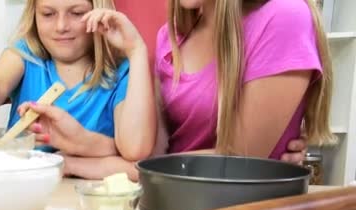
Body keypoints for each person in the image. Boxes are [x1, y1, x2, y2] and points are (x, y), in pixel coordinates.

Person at [55, 0, 327, 180]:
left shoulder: (284, 16)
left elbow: (238, 161)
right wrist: (80, 150)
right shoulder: (171, 36)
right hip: (171, 201)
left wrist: (81, 165)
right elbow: (154, 154)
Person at [0, 0, 156, 168]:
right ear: (33, 15)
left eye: (76, 13)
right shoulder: (26, 55)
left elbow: (136, 148)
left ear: (99, 12)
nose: (61, 26)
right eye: (48, 14)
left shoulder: (122, 73)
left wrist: (136, 50)